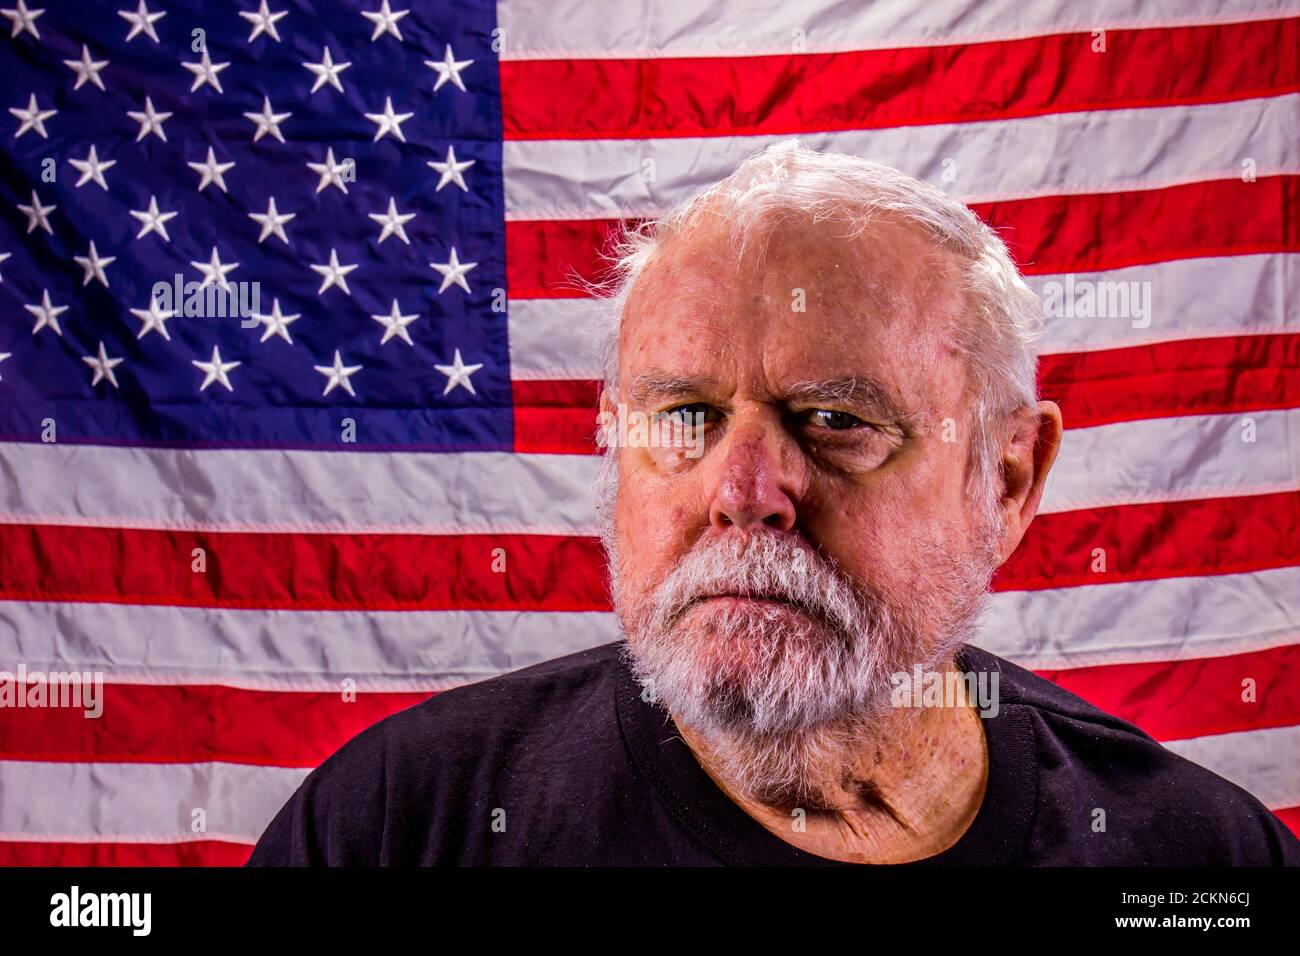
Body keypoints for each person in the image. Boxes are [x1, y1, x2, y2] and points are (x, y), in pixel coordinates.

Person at [248, 140, 1299, 866]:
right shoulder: (398, 827)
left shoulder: (1193, 856)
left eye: (836, 421)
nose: (742, 494)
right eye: (685, 417)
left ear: (1009, 476)